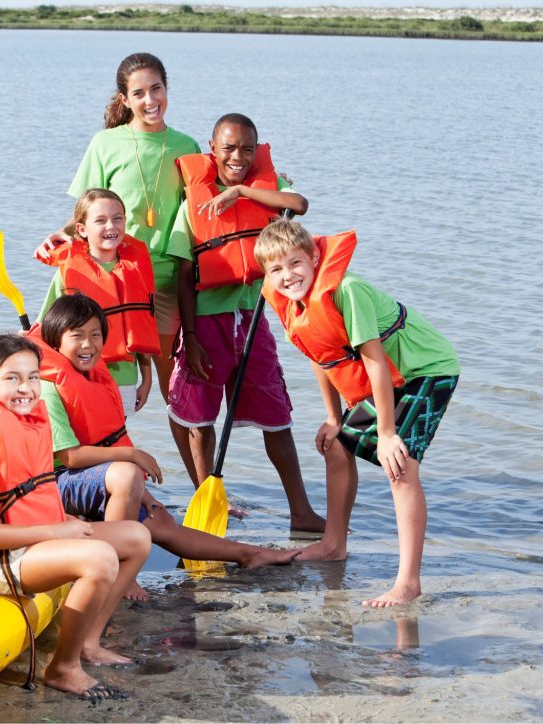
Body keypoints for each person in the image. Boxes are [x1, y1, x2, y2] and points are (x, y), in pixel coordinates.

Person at [0, 333, 151, 699]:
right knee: (100, 557)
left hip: (27, 540)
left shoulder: (28, 425)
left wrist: (60, 528)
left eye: (33, 377)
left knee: (136, 537)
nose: (25, 388)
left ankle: (89, 642)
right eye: (11, 378)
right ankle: (63, 668)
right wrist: (58, 531)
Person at [30, 294, 302, 600]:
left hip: (93, 479)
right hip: (57, 484)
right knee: (128, 474)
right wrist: (132, 455)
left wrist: (144, 498)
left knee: (161, 521)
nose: (88, 344)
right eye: (76, 336)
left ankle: (249, 554)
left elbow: (106, 441)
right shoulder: (49, 390)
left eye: (95, 335)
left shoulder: (94, 378)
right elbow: (71, 456)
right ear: (55, 342)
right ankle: (118, 570)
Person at [254, 220, 460, 607]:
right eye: (276, 270)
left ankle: (408, 583)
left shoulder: (347, 291)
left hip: (425, 369)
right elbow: (321, 356)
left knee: (399, 465)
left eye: (295, 264)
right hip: (391, 379)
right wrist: (333, 419)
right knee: (337, 445)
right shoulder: (290, 302)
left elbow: (376, 363)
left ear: (315, 257)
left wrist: (386, 434)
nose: (287, 276)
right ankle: (333, 545)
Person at [165, 113, 324, 532]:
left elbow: (300, 205)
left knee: (277, 414)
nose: (238, 156)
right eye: (229, 148)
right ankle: (208, 506)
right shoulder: (193, 204)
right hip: (207, 322)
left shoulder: (265, 194)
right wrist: (191, 337)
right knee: (199, 420)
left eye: (247, 149)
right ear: (212, 149)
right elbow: (184, 275)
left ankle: (301, 511)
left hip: (252, 320)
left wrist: (241, 191)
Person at [37, 52, 201, 412]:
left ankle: (195, 471)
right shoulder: (105, 143)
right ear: (125, 99)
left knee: (179, 396)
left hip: (171, 283)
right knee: (102, 377)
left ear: (166, 89)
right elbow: (85, 214)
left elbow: (202, 211)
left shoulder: (187, 146)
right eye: (139, 93)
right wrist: (61, 234)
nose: (150, 100)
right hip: (118, 279)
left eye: (156, 89)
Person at [37, 189, 159, 418]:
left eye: (118, 218)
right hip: (80, 377)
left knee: (113, 442)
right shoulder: (69, 272)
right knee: (85, 444)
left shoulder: (137, 268)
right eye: (100, 220)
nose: (111, 227)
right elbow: (45, 327)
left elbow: (142, 323)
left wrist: (147, 378)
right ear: (81, 229)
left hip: (124, 378)